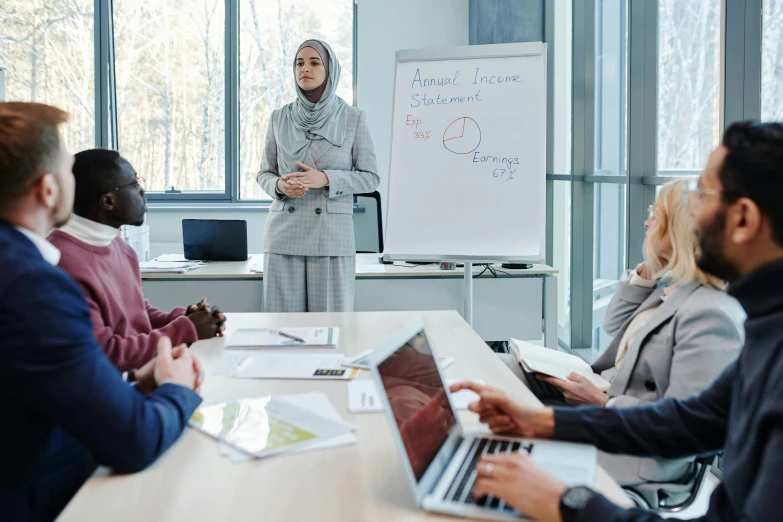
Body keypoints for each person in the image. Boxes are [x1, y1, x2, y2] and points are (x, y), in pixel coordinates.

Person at [451, 121, 783, 522]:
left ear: (744, 219)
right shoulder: (766, 324)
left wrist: (568, 503)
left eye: (702, 194)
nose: (691, 211)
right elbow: (687, 420)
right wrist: (542, 420)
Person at [0, 102, 204, 522]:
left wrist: (125, 389)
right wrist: (177, 387)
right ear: (49, 189)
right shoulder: (34, 287)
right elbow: (135, 441)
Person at [499, 181, 744, 504]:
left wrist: (603, 403)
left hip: (637, 455)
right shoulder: (671, 288)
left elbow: (684, 425)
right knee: (499, 370)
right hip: (606, 404)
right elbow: (614, 323)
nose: (647, 223)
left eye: (655, 216)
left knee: (498, 439)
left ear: (678, 231)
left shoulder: (711, 314)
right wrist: (649, 271)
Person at [48, 148, 225, 372]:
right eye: (134, 184)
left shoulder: (121, 247)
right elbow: (106, 354)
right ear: (108, 201)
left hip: (135, 379)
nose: (142, 191)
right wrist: (186, 329)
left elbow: (138, 313)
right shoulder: (62, 263)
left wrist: (184, 318)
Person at [257, 39, 380, 313]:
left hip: (331, 238)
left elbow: (370, 177)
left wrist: (326, 178)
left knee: (330, 332)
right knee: (282, 333)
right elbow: (264, 173)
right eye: (299, 63)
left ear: (330, 70)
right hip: (282, 235)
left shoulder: (352, 118)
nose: (305, 69)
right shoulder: (279, 117)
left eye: (314, 63)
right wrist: (279, 185)